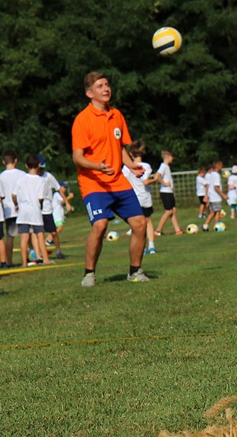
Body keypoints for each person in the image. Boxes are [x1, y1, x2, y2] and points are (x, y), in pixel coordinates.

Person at [71, 71, 149, 286]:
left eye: (107, 85)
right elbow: (77, 157)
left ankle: (135, 271)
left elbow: (120, 147)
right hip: (93, 183)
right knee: (100, 225)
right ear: (89, 93)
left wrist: (130, 165)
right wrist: (97, 166)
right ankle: (89, 274)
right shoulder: (82, 120)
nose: (106, 89)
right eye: (100, 86)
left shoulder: (116, 115)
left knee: (140, 223)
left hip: (118, 181)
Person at [11, 155, 52, 267]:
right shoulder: (41, 180)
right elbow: (40, 198)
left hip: (23, 211)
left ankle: (24, 262)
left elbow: (13, 195)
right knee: (40, 235)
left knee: (24, 238)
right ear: (39, 165)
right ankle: (46, 259)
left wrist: (16, 204)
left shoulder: (21, 179)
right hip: (35, 210)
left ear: (26, 165)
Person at [123, 141, 158, 255]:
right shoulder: (146, 166)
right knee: (148, 222)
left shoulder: (126, 168)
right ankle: (151, 246)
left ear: (131, 154)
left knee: (136, 225)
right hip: (144, 198)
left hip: (132, 199)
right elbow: (146, 182)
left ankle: (141, 249)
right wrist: (155, 179)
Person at [0, 152, 27, 266]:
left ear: (4, 162)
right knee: (26, 235)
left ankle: (9, 261)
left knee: (10, 236)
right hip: (22, 208)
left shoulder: (0, 177)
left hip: (8, 209)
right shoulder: (22, 174)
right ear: (16, 160)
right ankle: (27, 258)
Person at [152, 150, 181, 237]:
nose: (173, 158)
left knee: (173, 210)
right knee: (168, 211)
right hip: (165, 192)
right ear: (168, 157)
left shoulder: (166, 167)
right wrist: (164, 183)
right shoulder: (163, 166)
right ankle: (158, 230)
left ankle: (177, 230)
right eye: (172, 157)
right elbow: (157, 176)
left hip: (169, 191)